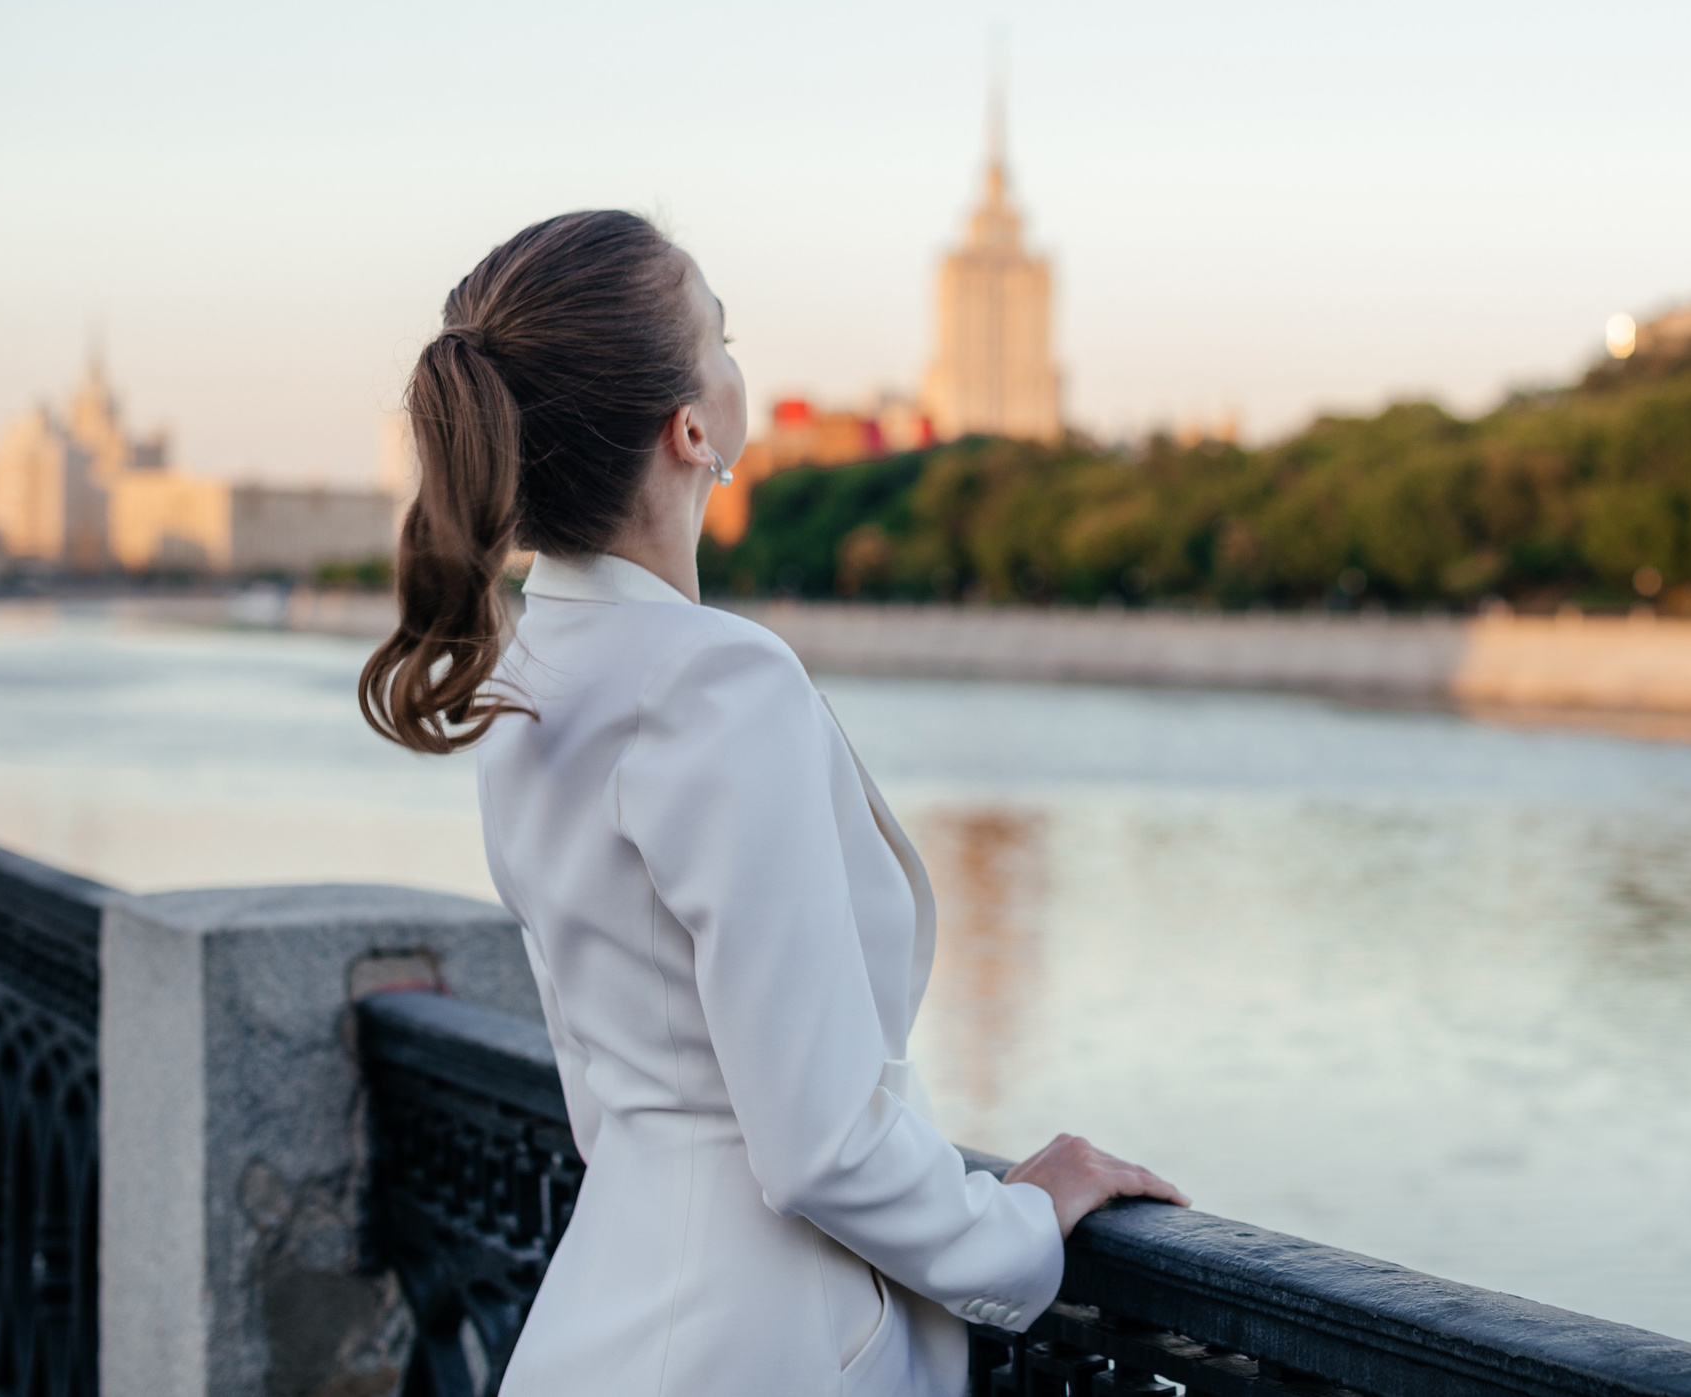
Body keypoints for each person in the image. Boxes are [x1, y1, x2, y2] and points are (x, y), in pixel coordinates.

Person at [359, 210, 1183, 1394]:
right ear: (693, 425)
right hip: (759, 1342)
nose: (739, 361)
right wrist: (1015, 1220)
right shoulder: (714, 679)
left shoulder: (529, 676)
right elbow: (819, 1145)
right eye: (721, 334)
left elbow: (609, 1094)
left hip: (602, 1313)